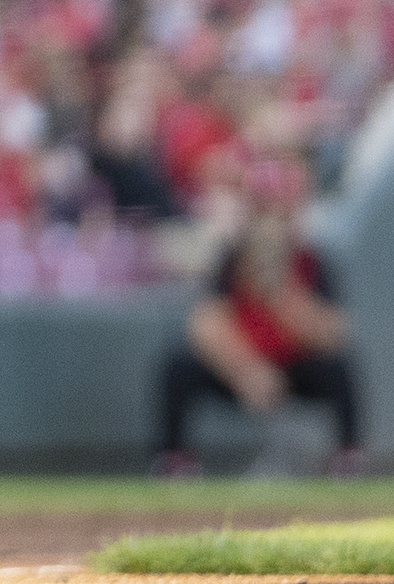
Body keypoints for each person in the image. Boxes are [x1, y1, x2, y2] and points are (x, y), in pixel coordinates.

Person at [151, 190, 361, 476]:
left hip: (294, 368)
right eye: (262, 215)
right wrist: (247, 369)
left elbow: (334, 334)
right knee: (179, 363)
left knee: (340, 366)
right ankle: (175, 460)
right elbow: (204, 324)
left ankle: (347, 460)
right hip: (242, 370)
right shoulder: (233, 258)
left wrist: (282, 293)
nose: (270, 226)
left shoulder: (311, 261)